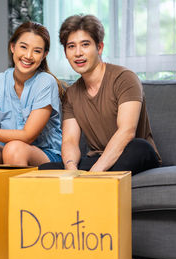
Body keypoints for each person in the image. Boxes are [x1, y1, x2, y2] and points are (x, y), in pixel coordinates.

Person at [40, 15, 161, 174]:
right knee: (45, 170)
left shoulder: (124, 78)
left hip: (133, 153)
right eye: (71, 46)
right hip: (99, 157)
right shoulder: (71, 93)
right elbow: (70, 141)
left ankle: (100, 177)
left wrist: (95, 172)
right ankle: (103, 177)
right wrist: (71, 169)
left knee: (139, 147)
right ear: (65, 52)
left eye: (85, 44)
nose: (78, 53)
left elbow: (127, 131)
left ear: (100, 47)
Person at [0, 21, 63, 166]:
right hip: (6, 148)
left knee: (14, 150)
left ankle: (19, 190)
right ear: (13, 47)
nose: (28, 55)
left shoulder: (46, 82)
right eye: (23, 47)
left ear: (44, 55)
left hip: (47, 154)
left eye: (37, 51)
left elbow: (28, 136)